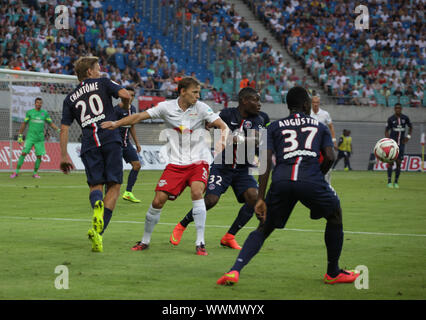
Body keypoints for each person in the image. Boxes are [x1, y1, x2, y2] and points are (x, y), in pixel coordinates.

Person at [217, 86, 359, 286]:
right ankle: (333, 272)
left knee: (263, 229)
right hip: (311, 178)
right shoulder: (320, 126)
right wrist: (317, 176)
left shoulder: (274, 127)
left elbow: (265, 162)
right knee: (335, 215)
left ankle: (234, 271)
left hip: (281, 180)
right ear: (305, 104)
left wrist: (260, 199)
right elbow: (329, 156)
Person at [101, 77, 229, 255]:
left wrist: (222, 140)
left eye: (199, 92)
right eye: (194, 92)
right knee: (157, 200)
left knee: (197, 191)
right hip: (175, 163)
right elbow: (138, 116)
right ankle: (145, 240)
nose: (197, 96)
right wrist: (115, 123)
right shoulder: (166, 107)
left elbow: (223, 126)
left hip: (199, 161)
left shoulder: (201, 108)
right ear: (182, 91)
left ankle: (200, 242)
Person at [170, 87, 271, 253]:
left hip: (242, 169)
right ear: (244, 101)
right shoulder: (226, 114)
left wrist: (240, 138)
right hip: (222, 167)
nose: (259, 104)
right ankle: (182, 224)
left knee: (254, 199)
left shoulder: (260, 119)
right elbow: (207, 123)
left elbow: (257, 139)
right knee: (211, 200)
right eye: (255, 100)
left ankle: (229, 236)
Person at [59, 56, 131, 253]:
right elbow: (125, 95)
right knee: (115, 186)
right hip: (109, 137)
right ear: (89, 72)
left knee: (95, 185)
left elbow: (64, 129)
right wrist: (124, 107)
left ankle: (97, 206)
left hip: (89, 143)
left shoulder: (70, 98)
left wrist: (64, 155)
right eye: (97, 68)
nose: (100, 70)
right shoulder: (103, 82)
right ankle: (98, 233)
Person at [10, 97, 60, 179]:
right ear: (35, 103)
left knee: (39, 156)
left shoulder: (44, 113)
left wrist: (58, 130)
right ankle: (16, 172)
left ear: (41, 104)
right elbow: (24, 124)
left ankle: (35, 173)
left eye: (40, 103)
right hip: (30, 138)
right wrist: (20, 135)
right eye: (37, 102)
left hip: (40, 139)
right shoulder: (30, 113)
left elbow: (50, 123)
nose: (39, 104)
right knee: (23, 153)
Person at [114, 86, 142, 203]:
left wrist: (137, 143)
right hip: (115, 143)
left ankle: (128, 192)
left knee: (137, 165)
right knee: (115, 170)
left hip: (126, 143)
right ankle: (108, 195)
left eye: (132, 95)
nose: (130, 97)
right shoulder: (116, 110)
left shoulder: (133, 109)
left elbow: (132, 126)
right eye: (128, 95)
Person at [310, 95, 337, 184]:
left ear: (319, 103)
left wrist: (333, 140)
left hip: (323, 144)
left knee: (327, 162)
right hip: (311, 143)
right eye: (314, 102)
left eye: (317, 102)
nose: (315, 104)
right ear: (311, 103)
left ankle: (328, 184)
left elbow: (331, 127)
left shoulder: (325, 114)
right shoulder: (308, 114)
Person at [385, 103, 412, 188]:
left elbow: (410, 127)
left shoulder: (405, 118)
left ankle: (396, 182)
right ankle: (389, 181)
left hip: (401, 144)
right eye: (396, 108)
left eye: (399, 108)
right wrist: (389, 141)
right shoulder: (391, 119)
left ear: (401, 109)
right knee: (390, 162)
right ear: (394, 109)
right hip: (393, 145)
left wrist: (408, 136)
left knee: (399, 163)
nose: (398, 109)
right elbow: (386, 130)